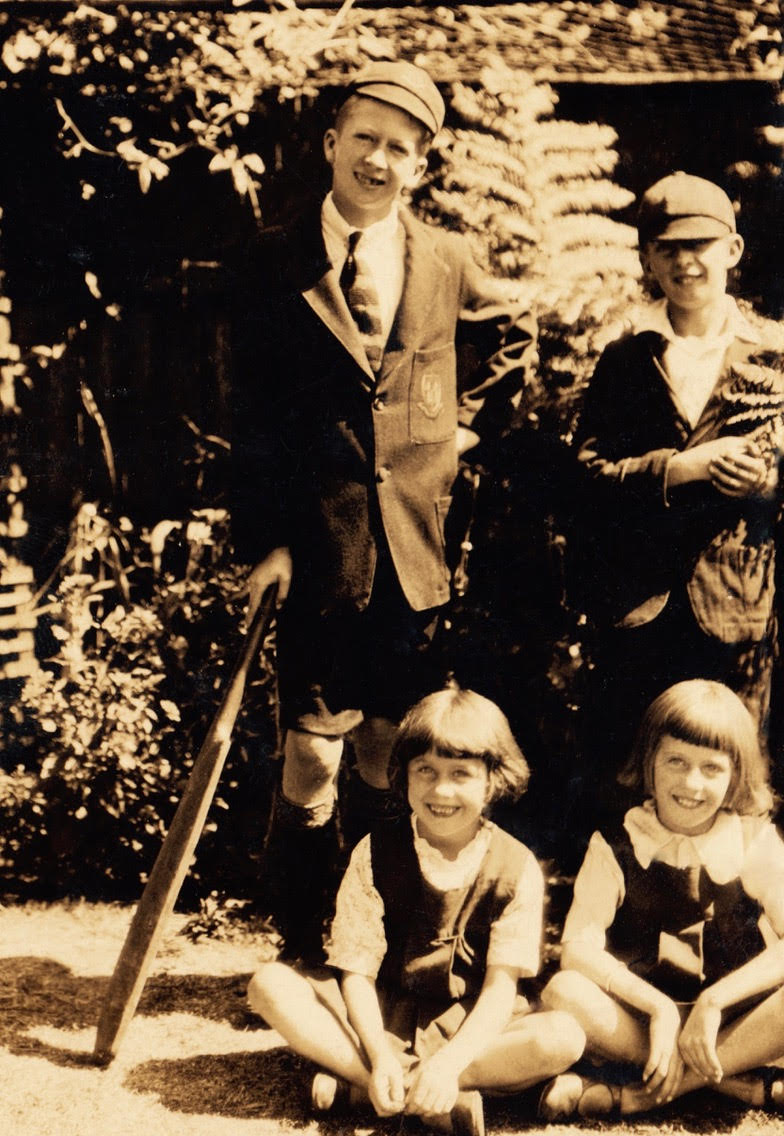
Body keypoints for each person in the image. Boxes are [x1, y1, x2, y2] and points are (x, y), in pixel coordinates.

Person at [229, 61, 536, 959]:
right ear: (331, 144)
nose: (377, 159)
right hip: (320, 551)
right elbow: (247, 417)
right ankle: (304, 940)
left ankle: (376, 943)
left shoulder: (445, 260)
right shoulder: (273, 261)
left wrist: (459, 434)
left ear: (421, 168)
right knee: (314, 755)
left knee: (386, 753)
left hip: (414, 552)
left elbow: (511, 339)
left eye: (399, 148)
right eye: (363, 138)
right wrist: (267, 545)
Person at [247, 686, 586, 1136]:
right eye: (424, 770)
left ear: (492, 781)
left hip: (470, 1026)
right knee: (269, 986)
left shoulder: (516, 865)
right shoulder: (375, 852)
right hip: (381, 1016)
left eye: (460, 774)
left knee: (562, 1037)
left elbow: (499, 988)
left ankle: (370, 1089)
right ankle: (411, 1093)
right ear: (403, 775)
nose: (440, 790)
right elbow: (357, 975)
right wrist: (381, 1054)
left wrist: (450, 1062)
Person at [539, 679, 784, 1123]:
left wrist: (715, 1001)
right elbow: (577, 951)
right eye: (676, 762)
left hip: (734, 1020)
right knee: (563, 991)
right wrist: (659, 1008)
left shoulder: (751, 840)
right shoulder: (617, 843)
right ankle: (741, 1085)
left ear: (735, 774)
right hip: (642, 1022)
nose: (691, 783)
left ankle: (648, 1091)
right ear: (650, 761)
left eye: (711, 768)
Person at [572, 171, 781, 784]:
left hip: (735, 607)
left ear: (733, 251)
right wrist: (676, 468)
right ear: (647, 259)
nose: (686, 263)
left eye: (701, 246)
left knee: (730, 773)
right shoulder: (627, 355)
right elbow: (586, 476)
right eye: (668, 248)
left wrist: (767, 483)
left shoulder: (771, 356)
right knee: (637, 771)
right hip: (641, 607)